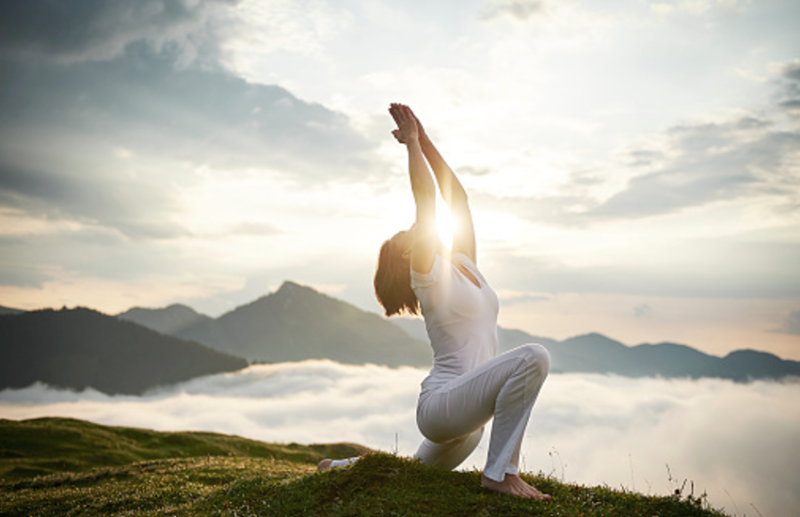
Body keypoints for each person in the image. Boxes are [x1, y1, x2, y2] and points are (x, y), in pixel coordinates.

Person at [318, 103, 551, 500]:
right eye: (409, 234)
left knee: (409, 473)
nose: (417, 229)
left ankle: (339, 468)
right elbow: (427, 204)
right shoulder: (428, 278)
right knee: (534, 357)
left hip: (465, 417)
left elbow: (456, 200)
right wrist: (410, 146)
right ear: (410, 257)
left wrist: (424, 139)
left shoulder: (463, 265)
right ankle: (501, 475)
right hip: (441, 404)